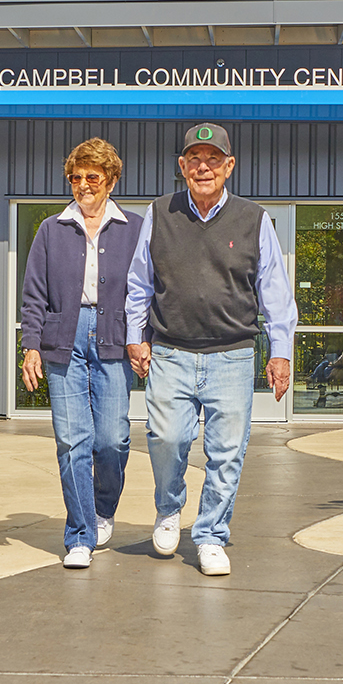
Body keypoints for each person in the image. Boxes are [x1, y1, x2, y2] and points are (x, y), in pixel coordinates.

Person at [126, 122, 297, 576]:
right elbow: (140, 284)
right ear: (182, 167)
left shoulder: (254, 219)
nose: (204, 167)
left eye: (214, 159)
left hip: (233, 355)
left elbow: (276, 292)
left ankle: (210, 535)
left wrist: (280, 352)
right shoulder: (160, 214)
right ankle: (168, 511)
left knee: (226, 453)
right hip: (170, 352)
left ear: (229, 166)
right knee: (166, 438)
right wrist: (134, 337)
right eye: (195, 159)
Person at [20, 138, 142, 570]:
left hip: (113, 336)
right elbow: (34, 292)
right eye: (76, 177)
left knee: (112, 439)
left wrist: (144, 337)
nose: (83, 185)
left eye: (93, 177)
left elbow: (148, 291)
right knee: (73, 441)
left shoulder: (136, 228)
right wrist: (30, 345)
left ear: (110, 180)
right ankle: (79, 534)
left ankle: (102, 508)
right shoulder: (52, 229)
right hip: (63, 340)